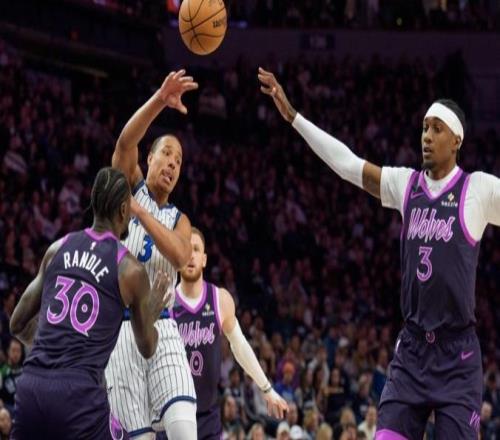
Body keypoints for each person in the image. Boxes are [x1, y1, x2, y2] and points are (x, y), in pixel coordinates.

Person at [258, 67, 500, 439]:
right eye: (424, 128)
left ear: (457, 140)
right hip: (413, 351)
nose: (427, 136)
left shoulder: (478, 190)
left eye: (437, 129)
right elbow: (347, 165)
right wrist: (294, 117)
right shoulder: (406, 184)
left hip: (458, 356)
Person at [9, 167, 171, 439]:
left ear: (94, 203)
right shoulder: (130, 269)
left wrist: (55, 348)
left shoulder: (57, 248)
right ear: (124, 210)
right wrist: (152, 311)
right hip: (77, 398)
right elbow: (147, 347)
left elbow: (17, 323)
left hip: (31, 389)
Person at [173, 227, 288, 439]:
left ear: (204, 260)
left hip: (207, 415)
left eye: (196, 249)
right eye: (185, 249)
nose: (190, 255)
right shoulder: (165, 301)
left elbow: (240, 346)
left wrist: (266, 388)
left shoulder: (220, 299)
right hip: (172, 414)